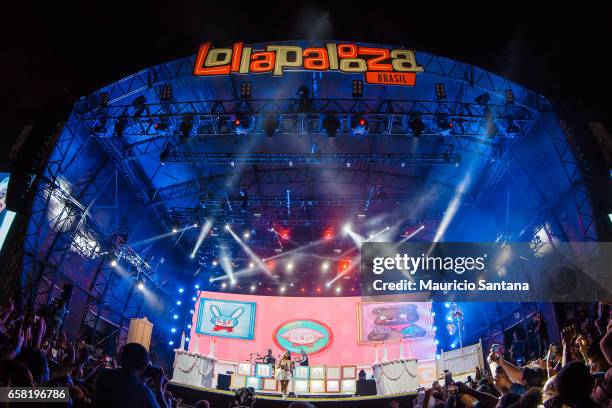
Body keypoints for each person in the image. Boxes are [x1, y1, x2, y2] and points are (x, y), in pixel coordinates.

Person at [93, 342, 168, 408]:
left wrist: (141, 379)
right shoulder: (144, 393)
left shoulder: (104, 375)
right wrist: (160, 389)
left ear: (120, 358)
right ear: (144, 366)